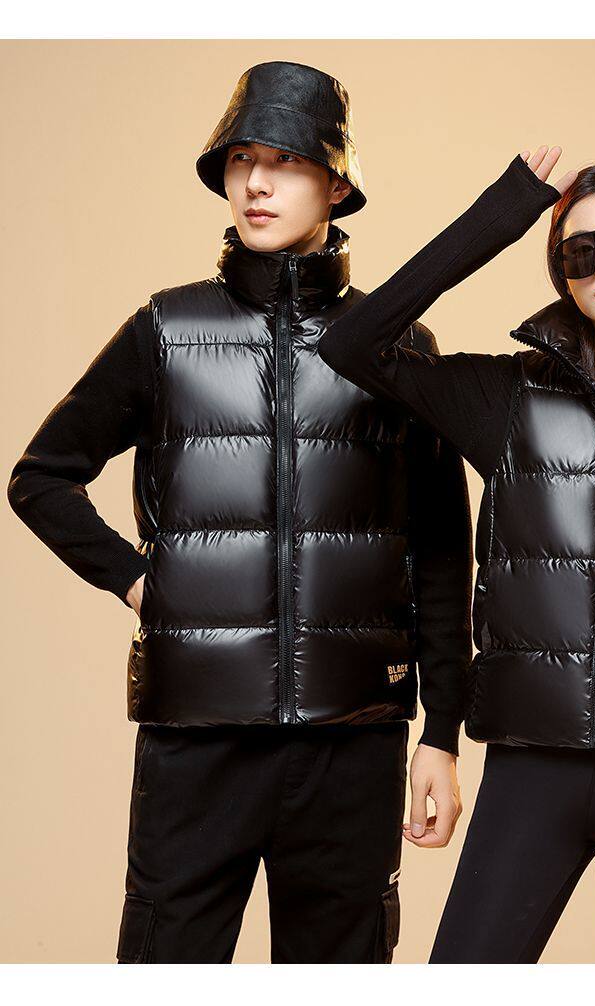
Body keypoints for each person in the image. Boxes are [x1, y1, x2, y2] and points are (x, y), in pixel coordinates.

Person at [6, 60, 472, 964]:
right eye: (241, 160)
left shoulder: (400, 347)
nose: (257, 182)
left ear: (337, 184)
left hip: (354, 744)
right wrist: (139, 583)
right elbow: (42, 478)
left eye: (287, 161)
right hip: (196, 741)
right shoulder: (166, 331)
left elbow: (445, 555)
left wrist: (443, 735)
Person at [317, 145, 595, 963]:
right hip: (531, 772)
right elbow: (353, 343)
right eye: (578, 251)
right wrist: (506, 212)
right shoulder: (507, 400)